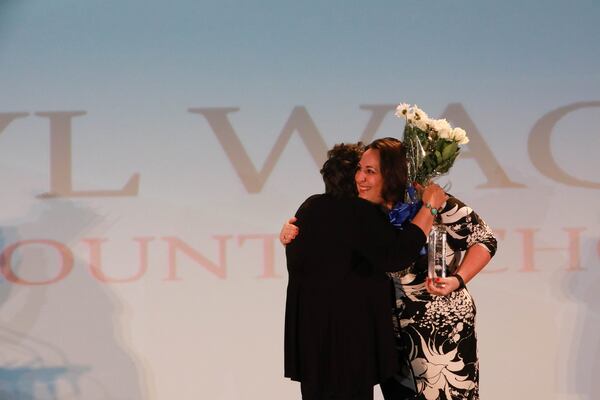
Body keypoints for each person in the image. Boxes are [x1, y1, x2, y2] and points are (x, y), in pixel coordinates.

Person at [282, 138, 497, 400]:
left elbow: (485, 239)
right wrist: (290, 235)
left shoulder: (431, 199)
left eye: (370, 172)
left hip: (439, 330)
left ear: (391, 174)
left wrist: (457, 279)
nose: (360, 178)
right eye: (359, 169)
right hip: (391, 334)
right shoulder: (365, 210)